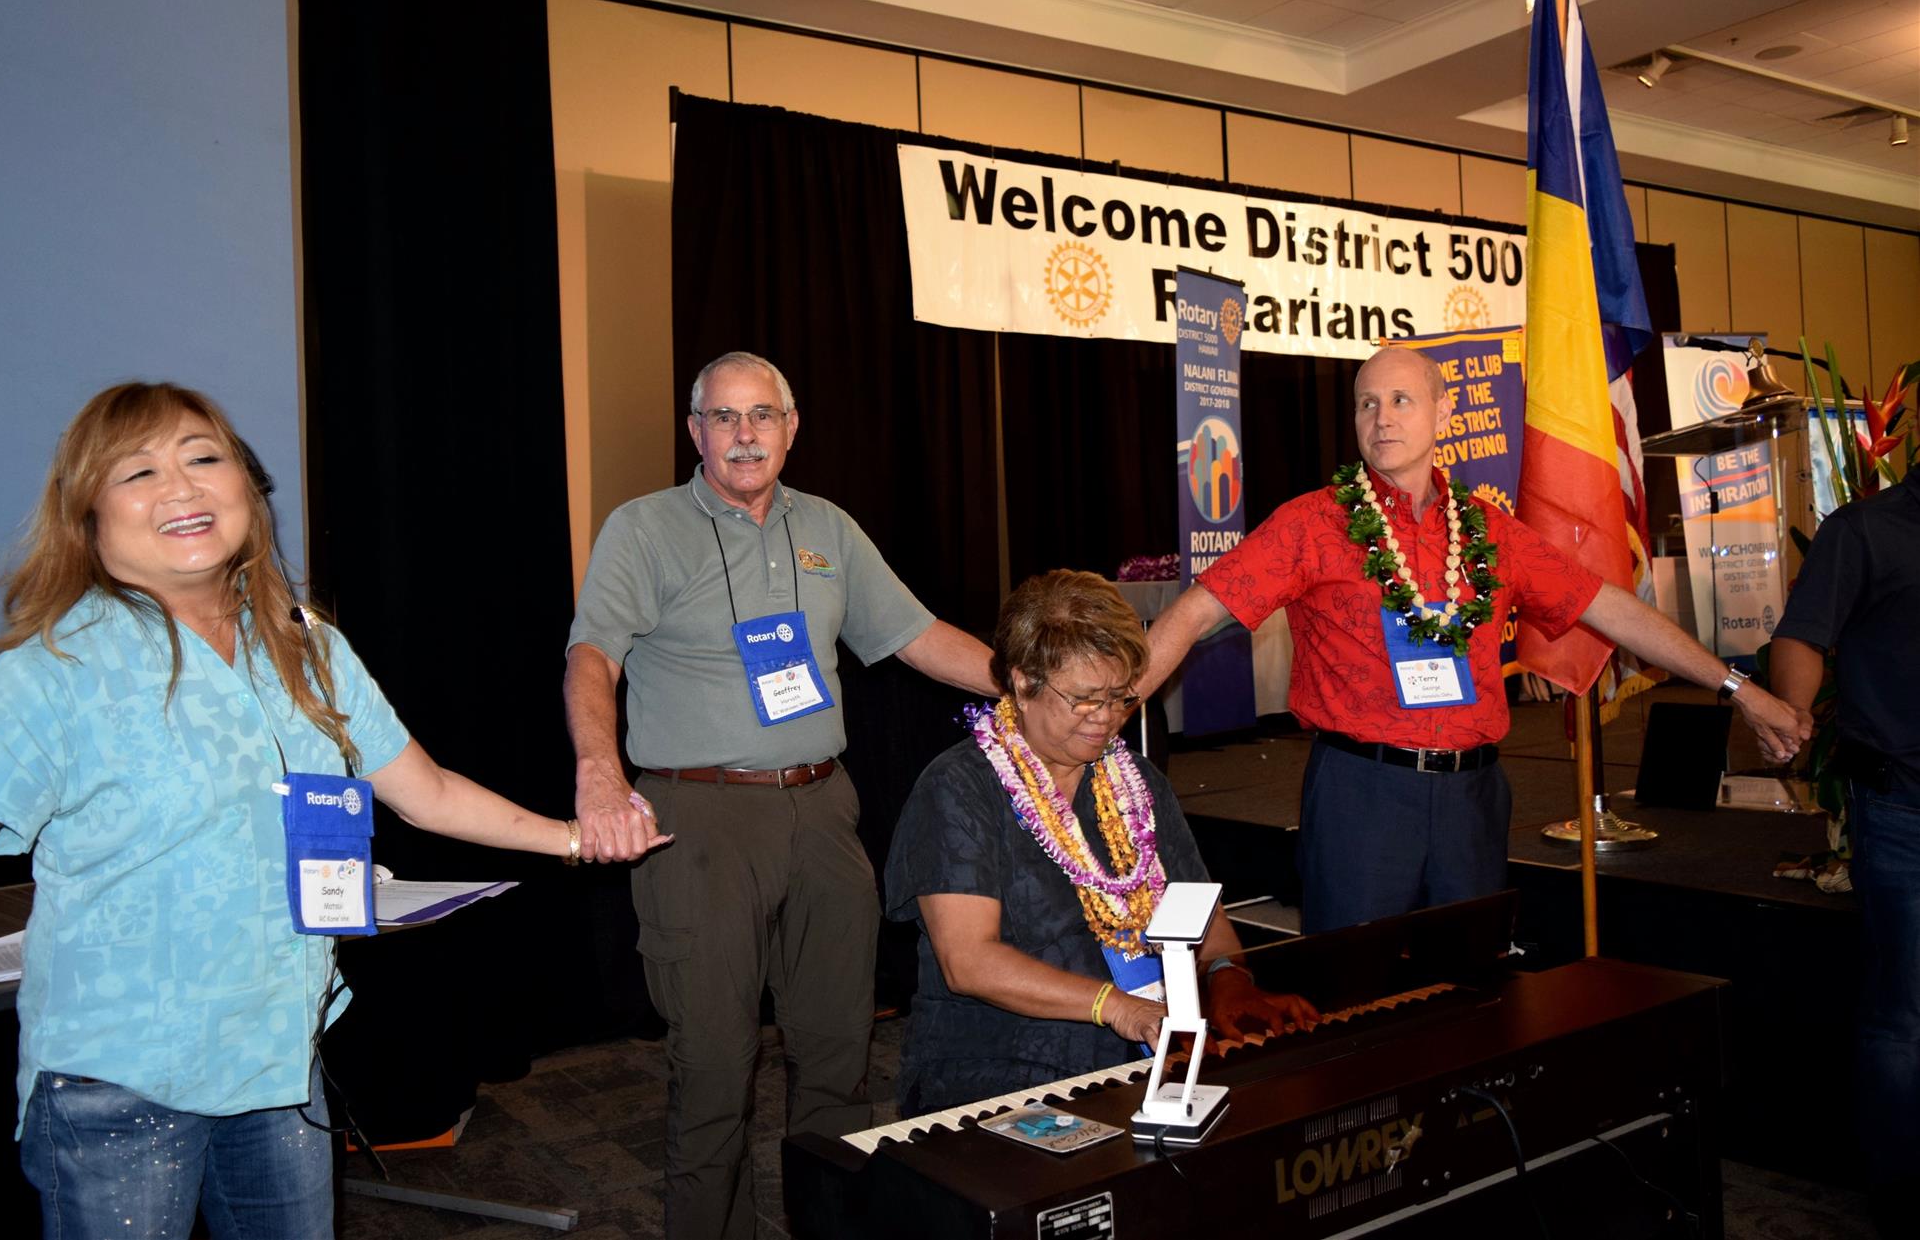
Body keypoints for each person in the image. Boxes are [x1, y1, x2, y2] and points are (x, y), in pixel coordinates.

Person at [0, 383, 595, 1240]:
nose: (183, 486)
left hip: (278, 1060)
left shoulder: (305, 644)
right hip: (119, 1081)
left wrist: (578, 836)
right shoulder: (51, 672)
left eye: (204, 457)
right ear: (87, 514)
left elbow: (426, 790)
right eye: (139, 471)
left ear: (247, 487)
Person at [1142, 345, 1812, 934]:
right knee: (1358, 997)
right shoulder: (1311, 524)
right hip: (1362, 797)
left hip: (1474, 801)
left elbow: (1611, 608)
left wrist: (1740, 689)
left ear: (1444, 414)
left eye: (1401, 400)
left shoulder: (1490, 531)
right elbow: (1195, 613)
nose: (1382, 418)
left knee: (1473, 988)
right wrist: (1107, 712)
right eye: (1367, 403)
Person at [563, 350, 996, 1240]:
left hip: (822, 809)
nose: (744, 434)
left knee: (840, 1052)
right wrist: (599, 772)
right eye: (723, 417)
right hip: (699, 820)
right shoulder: (643, 528)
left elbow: (915, 634)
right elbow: (591, 654)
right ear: (695, 431)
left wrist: (1032, 687)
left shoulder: (828, 527)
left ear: (792, 427)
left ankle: (832, 1227)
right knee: (714, 1069)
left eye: (762, 414)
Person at [886, 570, 1318, 1115]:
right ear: (1023, 683)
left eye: (1119, 697)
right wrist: (1115, 1006)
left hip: (1146, 1046)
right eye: (1086, 700)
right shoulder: (959, 787)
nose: (1108, 718)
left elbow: (1201, 915)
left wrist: (1227, 976)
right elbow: (969, 962)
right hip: (1002, 1061)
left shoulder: (1135, 780)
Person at [1770, 471, 1919, 1238]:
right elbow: (1800, 635)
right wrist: (1792, 712)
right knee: (1905, 1011)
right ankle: (1900, 1195)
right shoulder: (1864, 530)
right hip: (1902, 808)